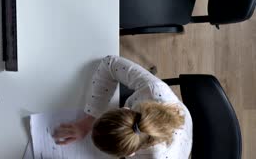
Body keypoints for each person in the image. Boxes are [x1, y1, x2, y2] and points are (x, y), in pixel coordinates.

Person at [53, 56, 193, 158]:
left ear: (131, 154)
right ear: (125, 109)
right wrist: (90, 118)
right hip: (178, 117)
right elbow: (110, 64)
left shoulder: (155, 156)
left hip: (180, 147)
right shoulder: (153, 90)